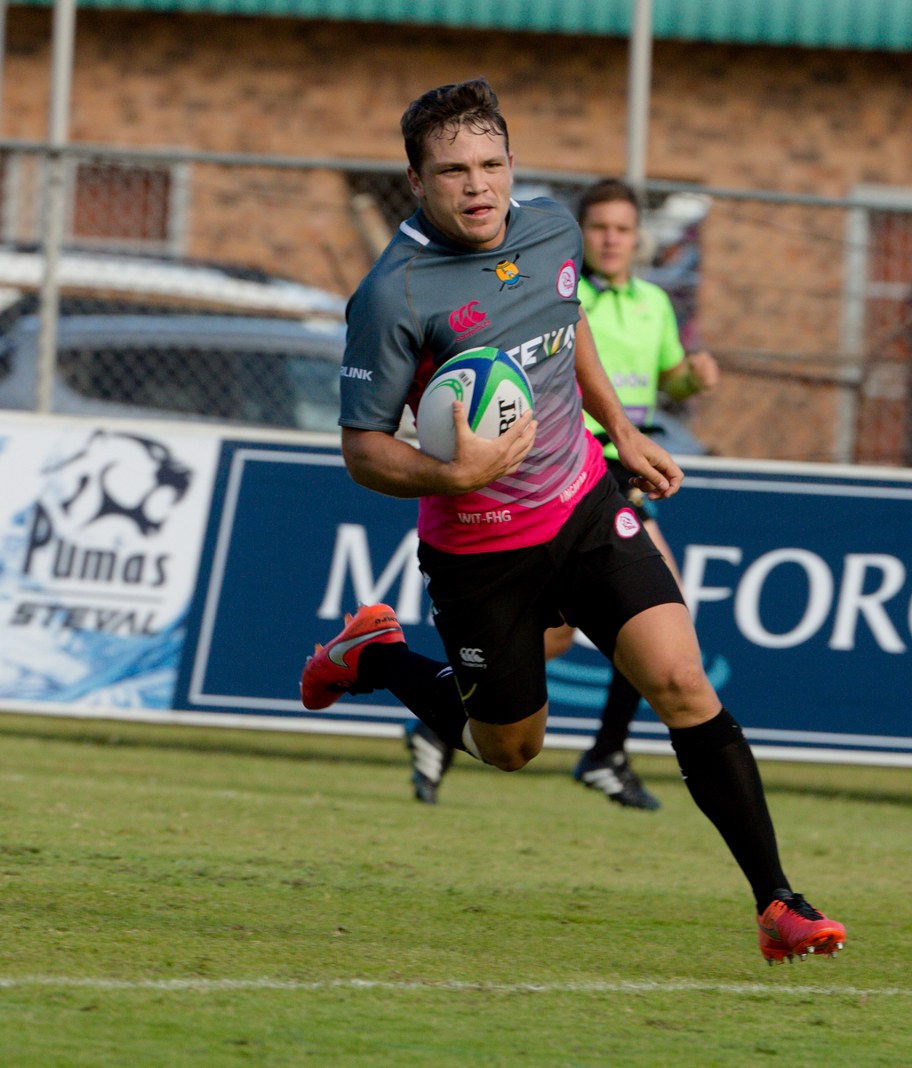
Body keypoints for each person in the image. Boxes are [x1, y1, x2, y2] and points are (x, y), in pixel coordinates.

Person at [298, 78, 845, 963]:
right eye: (454, 172)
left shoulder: (552, 228)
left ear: (513, 164)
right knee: (509, 747)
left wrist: (621, 428)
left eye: (491, 164)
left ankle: (779, 903)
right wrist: (454, 472)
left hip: (585, 506)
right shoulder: (393, 294)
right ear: (416, 181)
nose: (478, 186)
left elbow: (568, 319)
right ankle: (377, 655)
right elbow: (362, 449)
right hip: (480, 552)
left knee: (682, 682)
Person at [409, 177, 719, 812]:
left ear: (638, 239)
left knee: (555, 638)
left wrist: (692, 378)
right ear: (585, 232)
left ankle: (446, 724)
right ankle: (605, 753)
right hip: (575, 467)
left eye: (623, 229)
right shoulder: (560, 289)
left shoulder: (653, 304)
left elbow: (667, 379)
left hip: (627, 462)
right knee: (662, 615)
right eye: (600, 227)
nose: (611, 239)